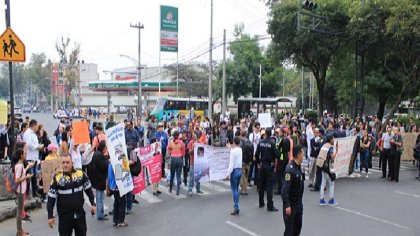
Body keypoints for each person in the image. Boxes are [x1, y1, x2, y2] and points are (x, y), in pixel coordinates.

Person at [47, 154, 96, 236]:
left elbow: (89, 190)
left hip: (80, 215)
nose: (65, 164)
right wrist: (50, 216)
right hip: (64, 217)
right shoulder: (57, 178)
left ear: (72, 163)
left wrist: (93, 204)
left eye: (67, 162)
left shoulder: (80, 174)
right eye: (63, 162)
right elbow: (51, 199)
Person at [282, 145, 305, 236]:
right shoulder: (289, 170)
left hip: (299, 203)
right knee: (289, 231)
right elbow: (285, 189)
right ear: (299, 155)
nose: (303, 156)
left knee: (297, 229)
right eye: (302, 154)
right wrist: (287, 205)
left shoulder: (299, 167)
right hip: (291, 205)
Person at [255, 128, 278, 212]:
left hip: (262, 166)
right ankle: (270, 205)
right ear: (271, 134)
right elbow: (278, 155)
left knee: (261, 185)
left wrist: (258, 162)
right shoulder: (272, 143)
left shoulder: (260, 143)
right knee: (269, 187)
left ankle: (261, 202)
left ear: (265, 134)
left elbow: (256, 154)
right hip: (269, 166)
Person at [13, 147, 34, 236]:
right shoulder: (19, 166)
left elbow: (22, 173)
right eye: (24, 154)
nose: (26, 155)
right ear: (21, 155)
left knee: (20, 211)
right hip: (20, 191)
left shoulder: (20, 165)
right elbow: (17, 180)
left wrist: (28, 167)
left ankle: (21, 230)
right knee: (19, 212)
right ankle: (19, 232)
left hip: (21, 189)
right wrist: (26, 177)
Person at [23, 119, 43, 198]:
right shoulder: (27, 133)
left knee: (34, 176)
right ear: (34, 125)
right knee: (29, 175)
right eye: (36, 126)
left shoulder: (34, 134)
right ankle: (27, 193)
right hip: (29, 157)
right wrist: (37, 147)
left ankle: (35, 192)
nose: (37, 128)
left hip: (34, 157)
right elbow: (29, 145)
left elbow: (35, 143)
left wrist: (39, 146)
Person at [89, 141, 109, 221]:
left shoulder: (97, 154)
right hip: (99, 180)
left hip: (97, 179)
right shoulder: (98, 155)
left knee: (99, 197)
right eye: (105, 148)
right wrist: (107, 161)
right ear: (103, 148)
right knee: (100, 197)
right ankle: (100, 214)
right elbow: (103, 166)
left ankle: (100, 212)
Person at [319, 135, 339, 206]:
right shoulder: (330, 147)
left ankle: (321, 199)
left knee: (323, 183)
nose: (333, 140)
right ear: (330, 140)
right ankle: (331, 199)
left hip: (322, 165)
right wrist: (336, 150)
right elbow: (332, 157)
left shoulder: (324, 145)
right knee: (331, 183)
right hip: (328, 167)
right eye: (333, 139)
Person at [107, 162, 128, 227]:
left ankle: (115, 220)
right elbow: (119, 178)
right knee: (122, 203)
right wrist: (126, 176)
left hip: (113, 186)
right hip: (118, 187)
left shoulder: (110, 163)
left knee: (116, 203)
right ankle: (121, 221)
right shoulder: (116, 164)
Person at [226, 137, 242, 215]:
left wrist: (227, 174)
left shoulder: (233, 151)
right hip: (239, 170)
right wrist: (230, 148)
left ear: (233, 143)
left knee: (234, 190)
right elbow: (234, 150)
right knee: (237, 189)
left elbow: (231, 164)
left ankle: (236, 206)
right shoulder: (240, 150)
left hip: (234, 171)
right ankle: (237, 205)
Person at [167, 131, 185, 195]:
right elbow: (183, 153)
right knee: (178, 175)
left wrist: (171, 153)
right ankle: (177, 191)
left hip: (173, 159)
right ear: (178, 136)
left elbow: (169, 152)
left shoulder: (171, 142)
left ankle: (170, 189)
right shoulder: (181, 143)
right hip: (180, 159)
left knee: (172, 175)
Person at [187, 131, 203, 196]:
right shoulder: (190, 142)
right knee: (191, 177)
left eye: (195, 134)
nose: (193, 135)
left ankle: (198, 189)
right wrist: (193, 148)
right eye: (192, 134)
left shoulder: (199, 142)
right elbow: (189, 153)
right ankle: (190, 190)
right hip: (192, 162)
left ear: (197, 135)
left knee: (199, 176)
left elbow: (202, 152)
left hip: (198, 163)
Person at [239, 130, 253, 195]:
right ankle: (245, 189)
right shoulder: (249, 142)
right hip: (249, 161)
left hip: (243, 161)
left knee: (243, 175)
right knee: (246, 176)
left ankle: (244, 190)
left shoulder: (241, 142)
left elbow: (239, 151)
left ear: (241, 134)